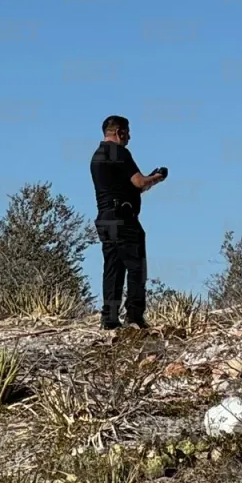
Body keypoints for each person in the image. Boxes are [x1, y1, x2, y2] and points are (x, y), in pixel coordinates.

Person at [90, 115, 167, 330]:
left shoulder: (96, 156)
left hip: (105, 218)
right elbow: (139, 182)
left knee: (112, 267)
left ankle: (110, 319)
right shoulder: (119, 152)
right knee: (136, 267)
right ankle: (134, 317)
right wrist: (158, 177)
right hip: (124, 218)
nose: (130, 137)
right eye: (128, 133)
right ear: (120, 132)